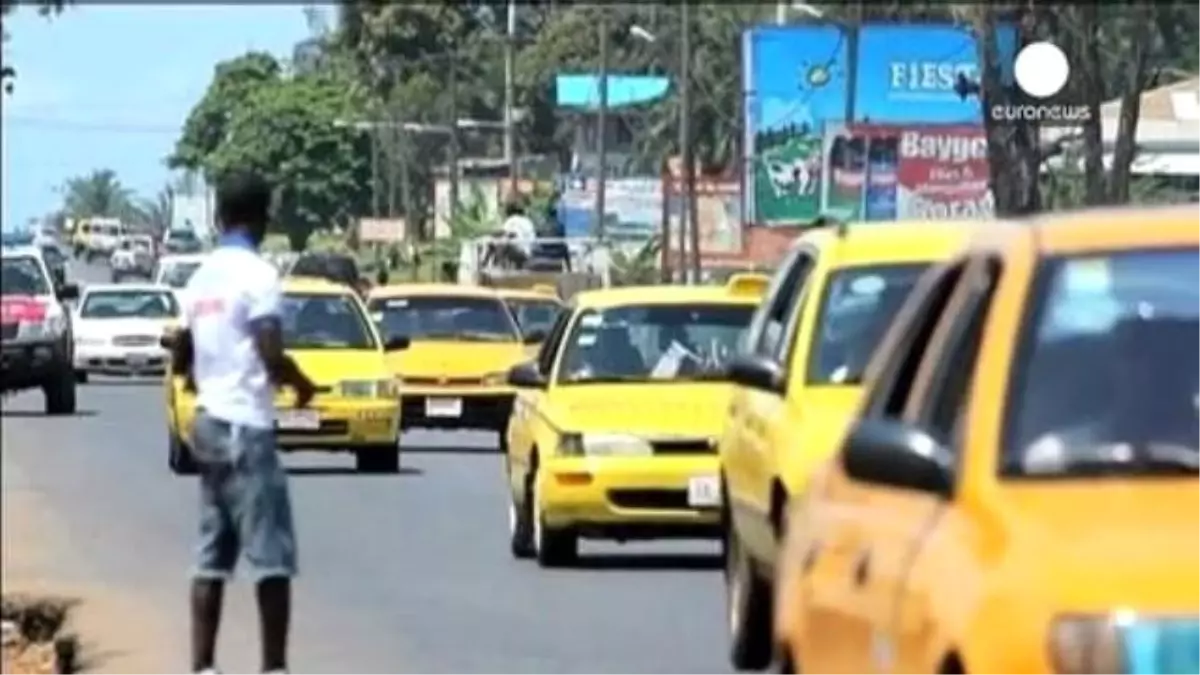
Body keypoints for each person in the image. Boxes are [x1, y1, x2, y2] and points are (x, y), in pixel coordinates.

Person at [168, 171, 316, 675]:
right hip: (245, 425)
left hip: (208, 423)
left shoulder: (200, 277)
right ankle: (274, 668)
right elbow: (269, 348)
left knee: (212, 551)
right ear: (262, 218)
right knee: (272, 556)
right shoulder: (259, 275)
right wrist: (300, 382)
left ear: (218, 217)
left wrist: (194, 377)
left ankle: (202, 666)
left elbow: (182, 352)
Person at [500, 201, 536, 268]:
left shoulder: (512, 220)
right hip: (528, 252)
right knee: (505, 242)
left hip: (520, 251)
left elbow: (509, 233)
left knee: (500, 244)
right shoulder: (527, 221)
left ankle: (502, 266)